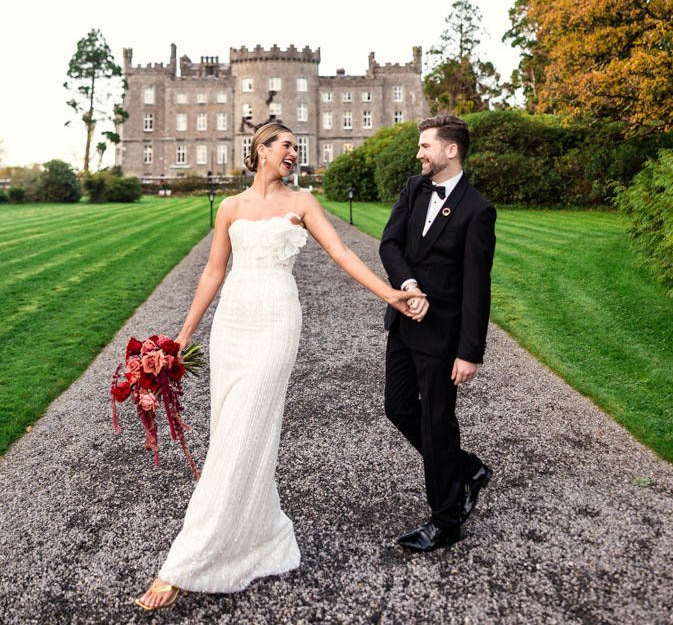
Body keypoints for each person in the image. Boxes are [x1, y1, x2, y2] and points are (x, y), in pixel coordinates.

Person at [135, 122, 428, 610]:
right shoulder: (230, 207)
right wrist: (180, 339)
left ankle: (185, 563)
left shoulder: (303, 203)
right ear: (261, 150)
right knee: (230, 431)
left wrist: (392, 295)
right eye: (287, 145)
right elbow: (213, 272)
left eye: (297, 147)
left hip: (275, 322)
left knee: (249, 425)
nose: (294, 152)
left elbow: (341, 253)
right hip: (232, 324)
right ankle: (264, 537)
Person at [379, 114, 496, 553]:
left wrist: (471, 352)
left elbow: (476, 289)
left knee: (437, 423)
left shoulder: (477, 210)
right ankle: (466, 468)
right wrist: (408, 287)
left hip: (444, 338)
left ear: (451, 150)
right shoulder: (413, 188)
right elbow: (389, 244)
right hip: (405, 324)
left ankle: (447, 521)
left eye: (425, 145)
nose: (418, 153)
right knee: (398, 407)